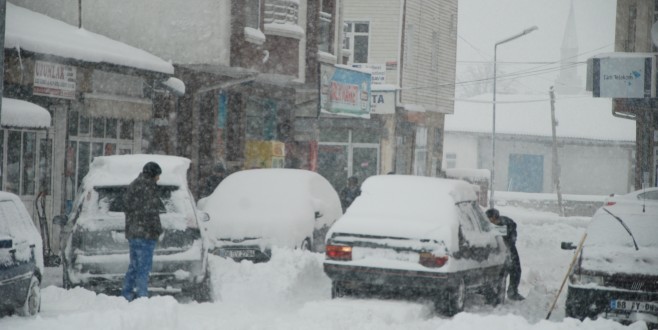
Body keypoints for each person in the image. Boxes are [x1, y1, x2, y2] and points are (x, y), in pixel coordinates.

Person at [121, 161, 164, 301]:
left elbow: (128, 206)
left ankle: (126, 293)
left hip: (134, 233)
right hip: (146, 234)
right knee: (144, 267)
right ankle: (142, 296)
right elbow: (151, 212)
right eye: (158, 175)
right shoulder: (149, 187)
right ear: (152, 174)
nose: (158, 178)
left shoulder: (134, 185)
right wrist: (157, 229)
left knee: (134, 266)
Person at [485, 208, 525, 301]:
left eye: (490, 219)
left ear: (495, 217)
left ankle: (512, 292)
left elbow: (512, 237)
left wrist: (508, 248)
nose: (489, 221)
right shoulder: (488, 225)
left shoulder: (507, 223)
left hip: (509, 247)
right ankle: (495, 293)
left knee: (515, 269)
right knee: (500, 272)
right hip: (495, 249)